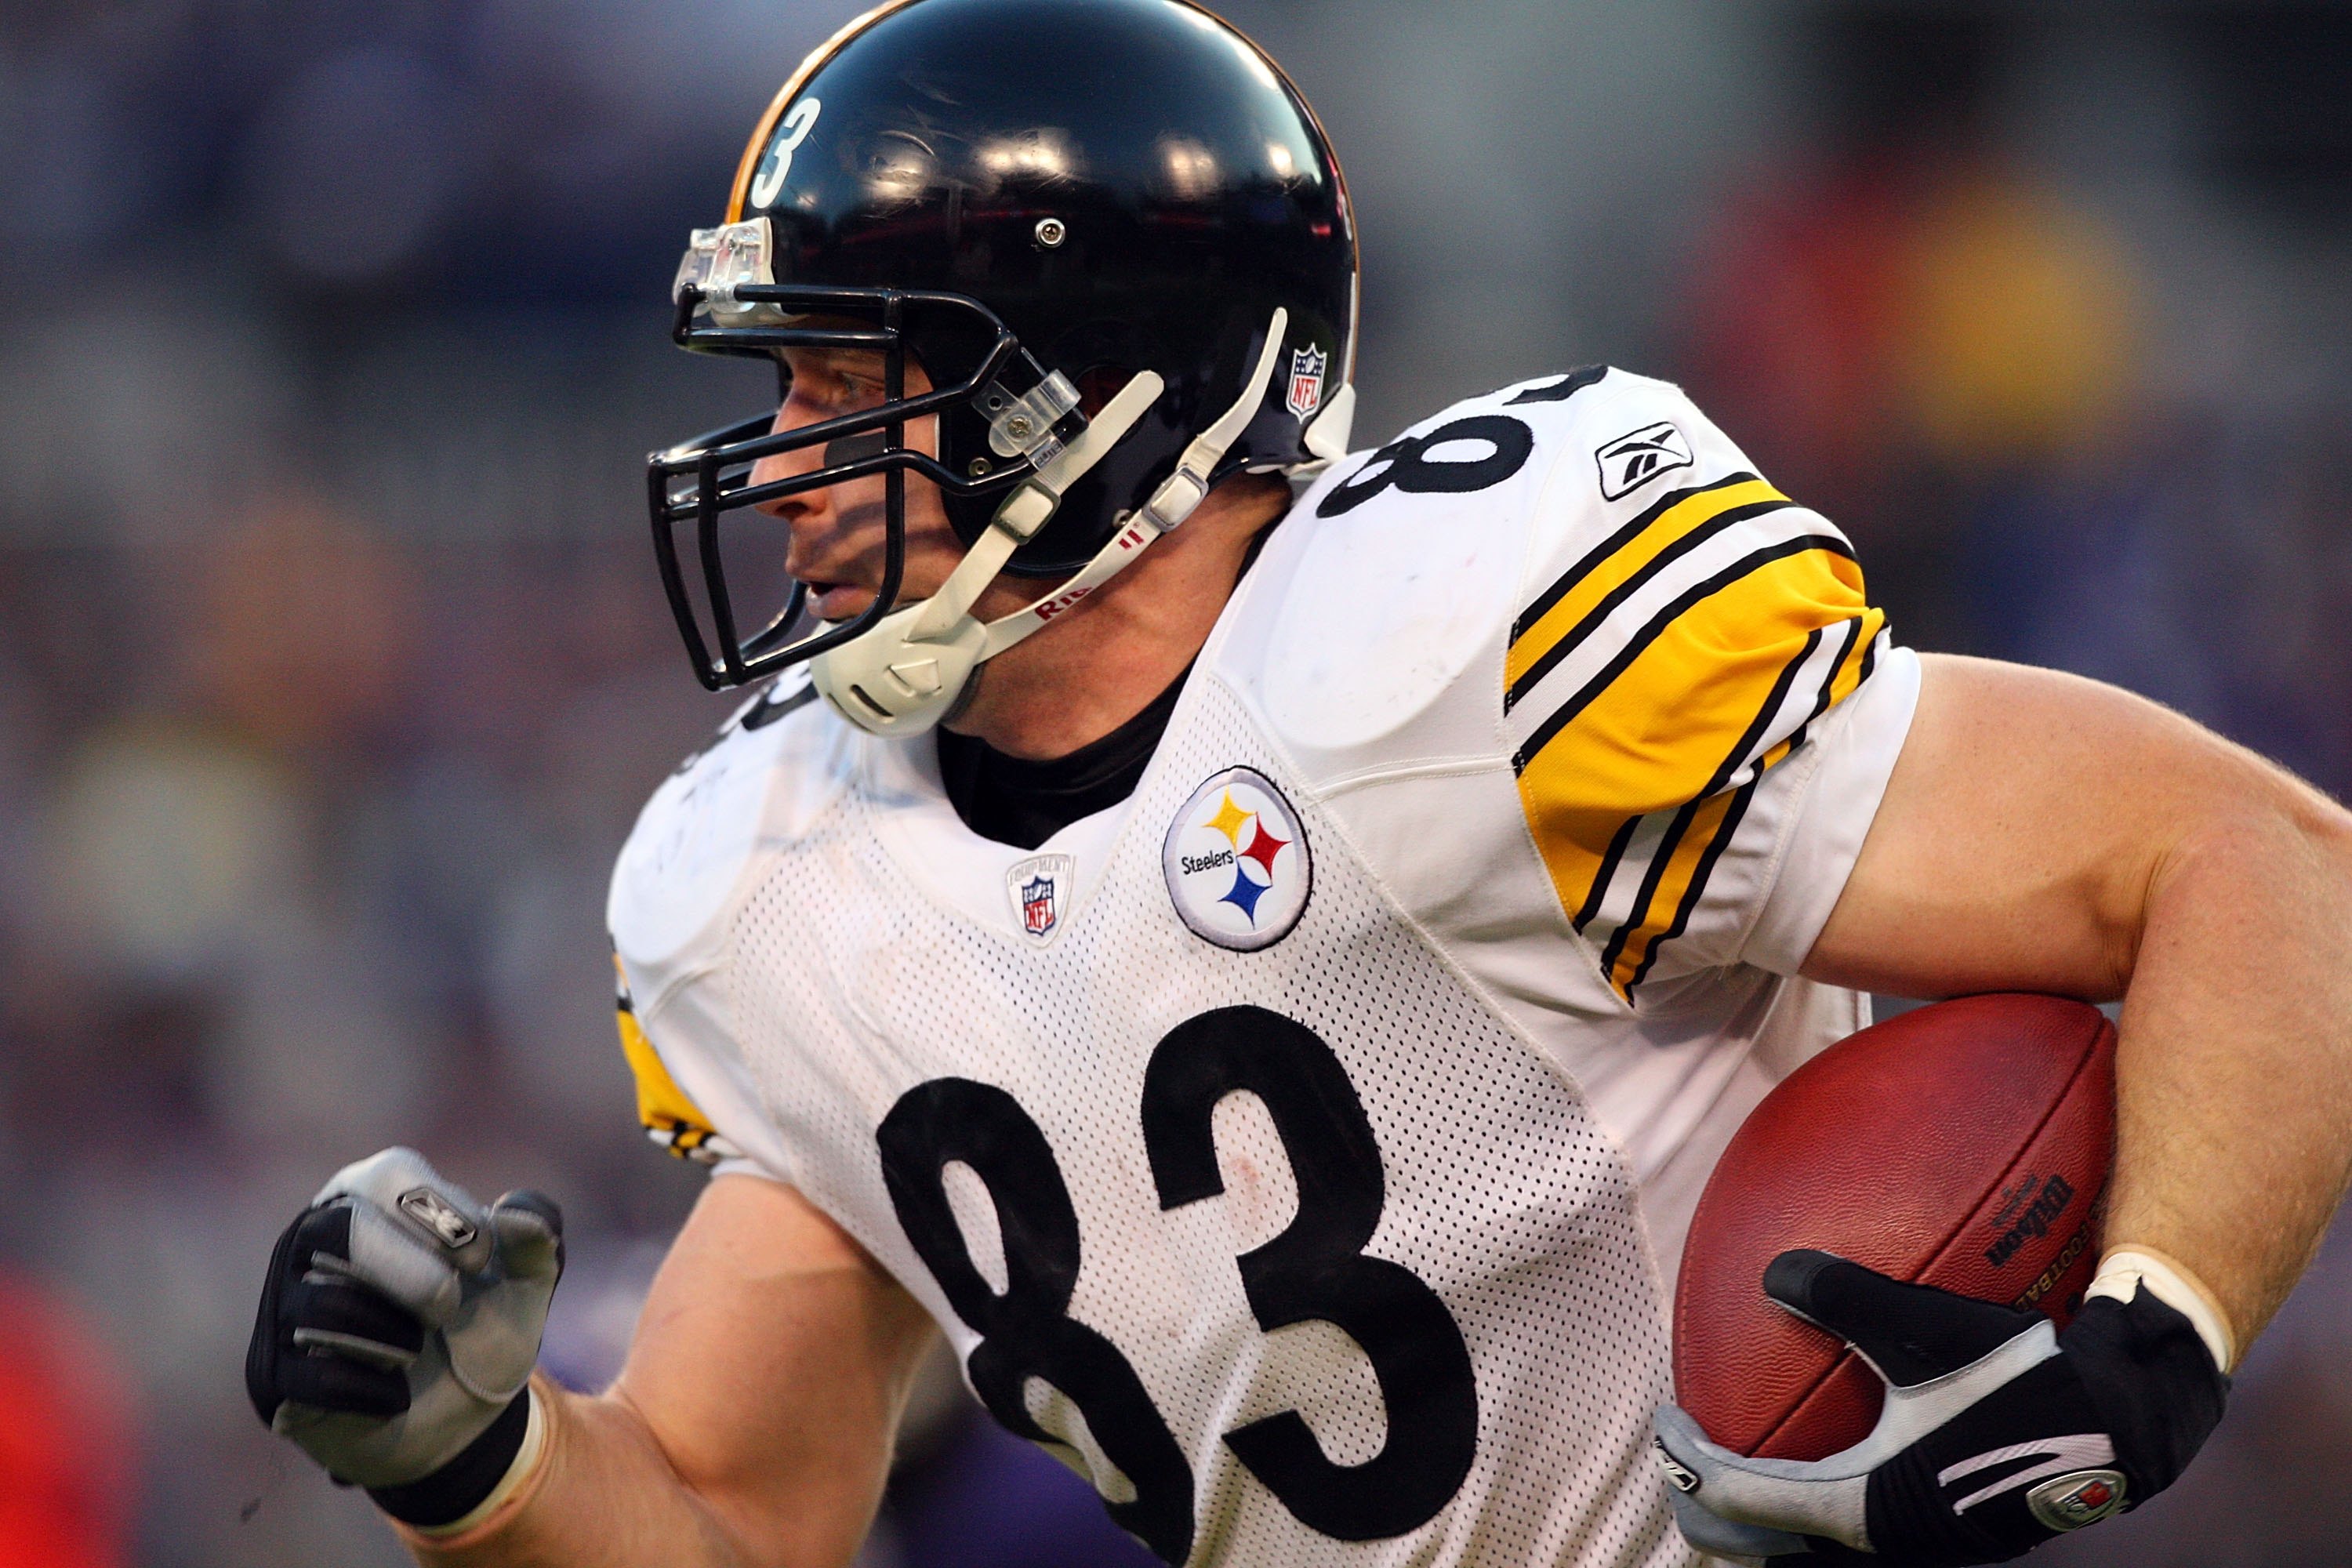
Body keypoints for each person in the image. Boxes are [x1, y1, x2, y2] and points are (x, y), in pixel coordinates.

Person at [244, 0, 2352, 1564]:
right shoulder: (774, 875)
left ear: (1105, 393)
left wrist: (2157, 1332)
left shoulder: (1471, 635)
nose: (781, 460)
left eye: (849, 383)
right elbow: (735, 1510)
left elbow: (2254, 858)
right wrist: (473, 1460)